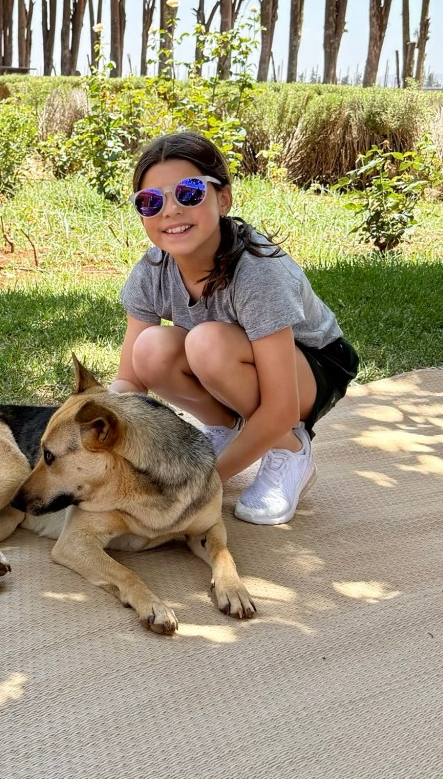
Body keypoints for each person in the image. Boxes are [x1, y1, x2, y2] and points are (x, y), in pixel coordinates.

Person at [110, 131, 359, 526]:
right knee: (150, 349)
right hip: (235, 362)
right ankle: (226, 429)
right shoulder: (152, 270)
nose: (170, 211)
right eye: (151, 201)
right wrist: (87, 429)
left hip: (314, 368)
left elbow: (281, 406)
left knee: (207, 343)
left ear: (223, 199)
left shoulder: (258, 273)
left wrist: (202, 484)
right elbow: (130, 382)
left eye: (189, 193)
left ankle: (290, 448)